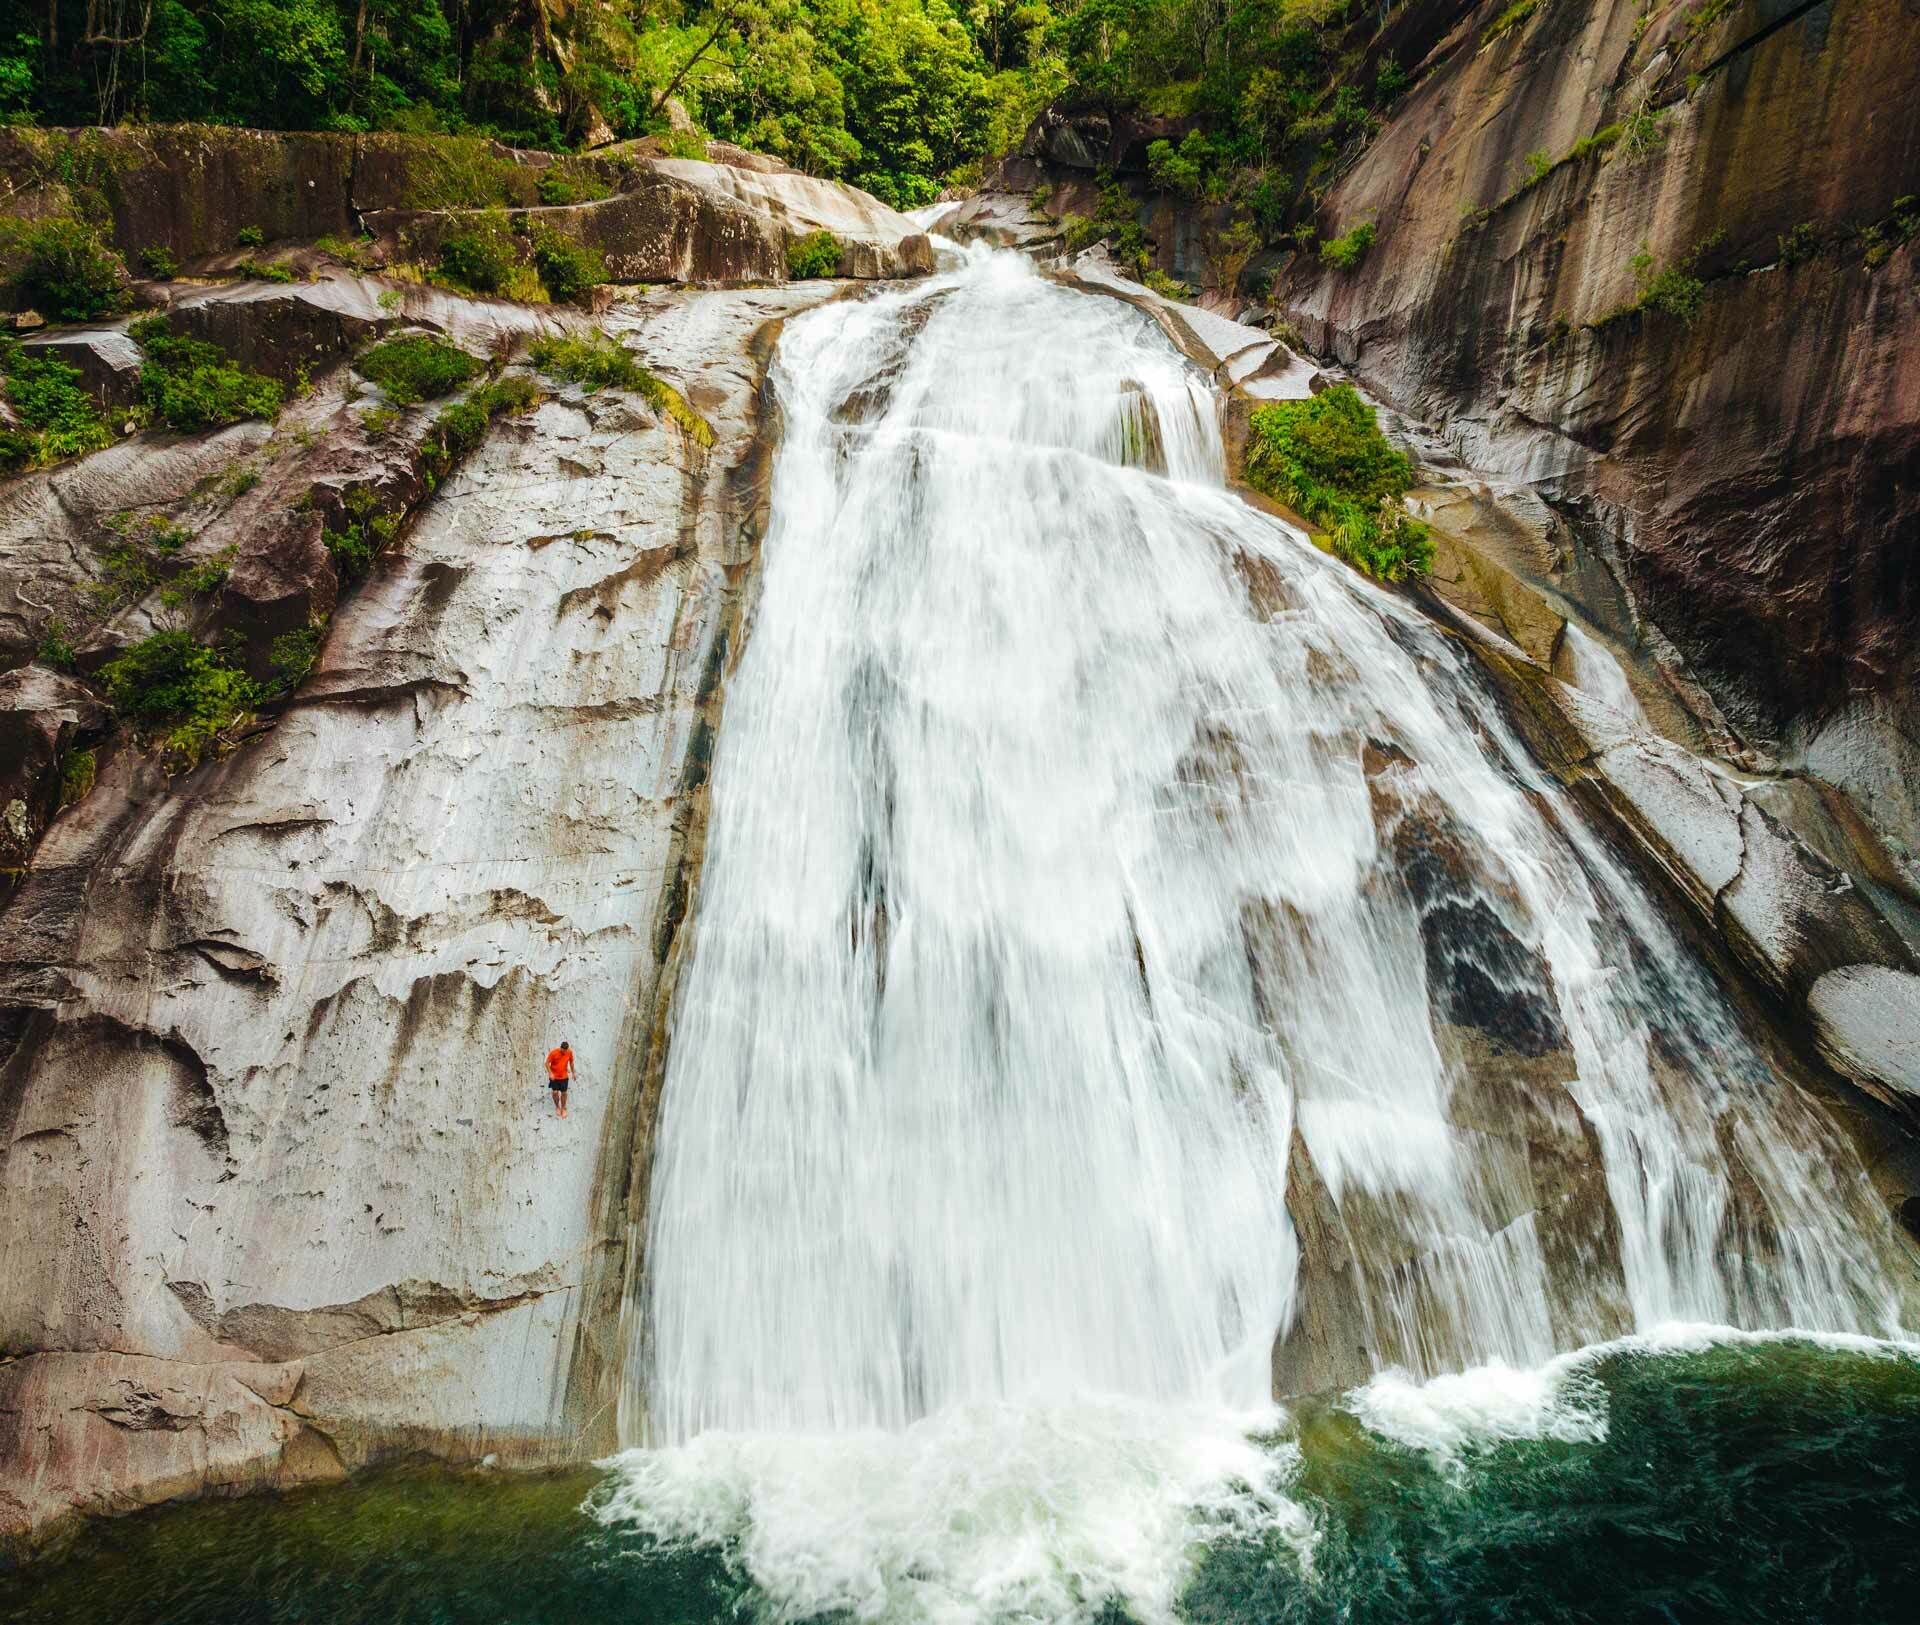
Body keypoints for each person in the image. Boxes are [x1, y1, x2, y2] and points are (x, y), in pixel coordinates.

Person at [546, 1041, 575, 1119]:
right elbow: (546, 1063)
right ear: (561, 1048)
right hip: (554, 1077)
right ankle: (557, 1107)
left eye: (565, 1051)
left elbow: (571, 1062)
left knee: (564, 1093)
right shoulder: (554, 1053)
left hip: (564, 1077)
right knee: (555, 1092)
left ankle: (563, 1108)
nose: (564, 1052)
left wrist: (573, 1073)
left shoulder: (569, 1052)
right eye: (563, 1050)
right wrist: (550, 1073)